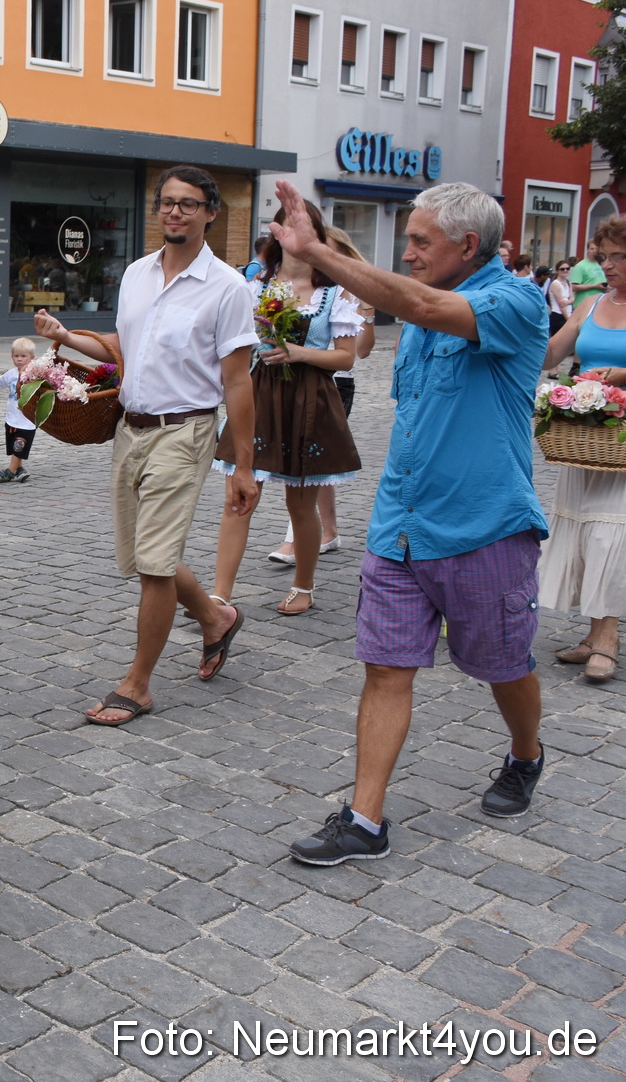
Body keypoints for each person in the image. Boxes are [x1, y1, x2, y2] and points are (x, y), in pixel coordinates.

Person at [271, 179, 550, 865]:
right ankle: (365, 819)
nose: (410, 251)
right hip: (400, 527)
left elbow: (422, 302)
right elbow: (412, 313)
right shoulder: (425, 313)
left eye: (421, 240)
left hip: (485, 527)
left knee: (502, 664)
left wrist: (316, 250)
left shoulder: (513, 300)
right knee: (386, 668)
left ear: (468, 246)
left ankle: (526, 752)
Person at [35, 165, 259, 728]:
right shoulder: (136, 273)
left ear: (211, 212)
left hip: (185, 431)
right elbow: (119, 345)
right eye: (167, 203)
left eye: (188, 204)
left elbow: (238, 381)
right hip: (129, 427)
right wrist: (66, 338)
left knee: (155, 564)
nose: (175, 212)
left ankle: (137, 684)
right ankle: (214, 617)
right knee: (142, 556)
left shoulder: (228, 288)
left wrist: (244, 468)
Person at [211, 203, 361, 615]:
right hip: (259, 393)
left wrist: (298, 352)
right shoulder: (254, 286)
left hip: (310, 397)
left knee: (300, 504)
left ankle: (304, 585)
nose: (295, 234)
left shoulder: (334, 293)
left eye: (306, 226)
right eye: (288, 225)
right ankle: (220, 594)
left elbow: (346, 359)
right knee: (238, 497)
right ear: (277, 234)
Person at [539, 215, 626, 685]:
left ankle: (608, 636)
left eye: (619, 256)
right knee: (583, 528)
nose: (608, 265)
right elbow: (552, 354)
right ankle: (593, 634)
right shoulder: (591, 305)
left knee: (611, 534)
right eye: (604, 255)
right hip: (583, 436)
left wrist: (620, 377)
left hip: (623, 440)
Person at [266, 225, 376, 565]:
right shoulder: (293, 286)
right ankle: (327, 531)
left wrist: (368, 314)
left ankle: (294, 538)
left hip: (335, 383)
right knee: (315, 461)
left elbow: (363, 351)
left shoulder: (347, 290)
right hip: (293, 378)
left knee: (307, 459)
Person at [0, 337, 37, 484]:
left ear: (32, 358)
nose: (19, 359)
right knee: (15, 446)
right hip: (12, 419)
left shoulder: (35, 375)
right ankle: (20, 470)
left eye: (23, 356)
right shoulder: (11, 373)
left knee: (20, 444)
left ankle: (10, 471)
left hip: (27, 419)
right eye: (16, 356)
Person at [570, 237, 606, 304]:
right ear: (587, 250)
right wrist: (594, 286)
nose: (594, 251)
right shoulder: (580, 266)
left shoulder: (601, 265)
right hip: (584, 304)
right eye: (592, 249)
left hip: (598, 303)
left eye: (597, 249)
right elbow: (574, 287)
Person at [547, 259, 575, 336]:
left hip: (568, 314)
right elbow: (561, 304)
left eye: (567, 268)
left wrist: (568, 302)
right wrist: (568, 320)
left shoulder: (568, 282)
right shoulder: (556, 284)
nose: (565, 270)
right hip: (558, 315)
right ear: (557, 271)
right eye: (562, 269)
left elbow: (572, 298)